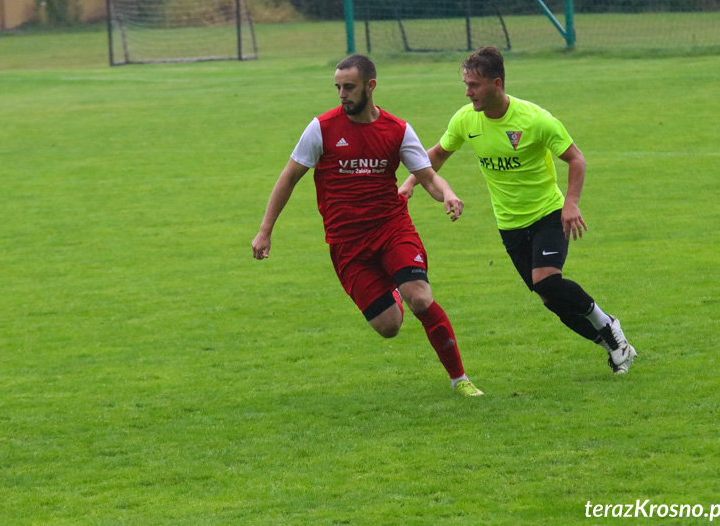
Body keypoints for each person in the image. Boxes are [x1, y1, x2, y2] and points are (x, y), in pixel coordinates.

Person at [252, 54, 483, 397]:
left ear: (370, 86)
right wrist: (265, 230)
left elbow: (428, 177)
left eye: (349, 87)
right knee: (389, 326)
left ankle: (459, 379)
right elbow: (288, 179)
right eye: (338, 88)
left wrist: (447, 193)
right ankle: (393, 286)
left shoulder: (397, 129)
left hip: (392, 228)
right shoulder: (321, 129)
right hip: (347, 243)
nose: (342, 94)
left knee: (419, 298)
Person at [399, 46, 637, 374]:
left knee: (546, 282)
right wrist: (412, 181)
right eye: (466, 85)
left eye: (475, 85)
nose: (468, 93)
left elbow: (575, 159)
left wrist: (571, 204)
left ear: (497, 84)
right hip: (509, 224)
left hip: (547, 215)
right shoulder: (466, 119)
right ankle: (613, 344)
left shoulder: (534, 119)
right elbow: (438, 154)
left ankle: (608, 325)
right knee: (550, 299)